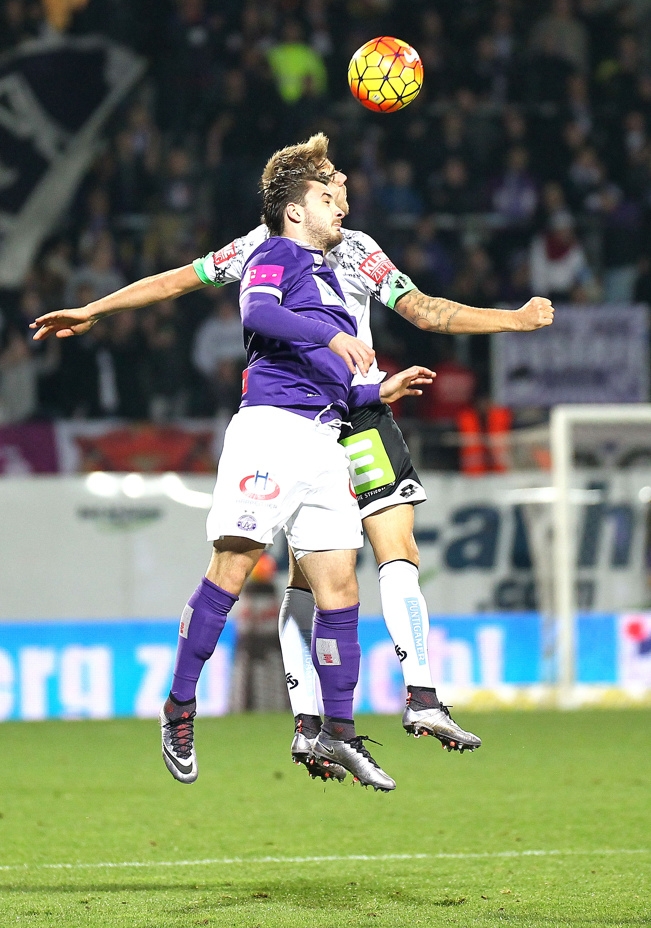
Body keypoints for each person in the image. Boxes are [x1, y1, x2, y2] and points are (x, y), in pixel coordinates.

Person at [31, 134, 554, 766]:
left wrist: (510, 321)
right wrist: (96, 307)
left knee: (363, 568)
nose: (344, 193)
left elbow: (426, 310)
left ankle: (387, 708)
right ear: (298, 200)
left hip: (352, 413)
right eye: (329, 182)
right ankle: (229, 712)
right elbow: (180, 281)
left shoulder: (358, 249)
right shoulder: (262, 248)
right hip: (280, 418)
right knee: (260, 568)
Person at [163, 173, 435, 791]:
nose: (339, 207)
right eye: (325, 199)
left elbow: (330, 370)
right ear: (293, 211)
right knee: (231, 570)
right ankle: (180, 707)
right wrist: (333, 334)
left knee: (339, 590)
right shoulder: (274, 254)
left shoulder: (335, 282)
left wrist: (375, 390)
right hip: (272, 431)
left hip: (327, 440)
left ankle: (336, 734)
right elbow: (260, 312)